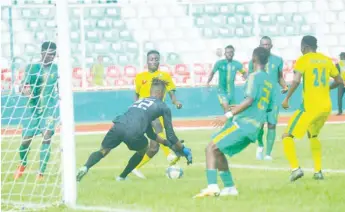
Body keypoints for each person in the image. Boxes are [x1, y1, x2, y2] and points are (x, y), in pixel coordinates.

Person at [194, 47, 274, 198]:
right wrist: (239, 107)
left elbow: (250, 100)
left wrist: (228, 114)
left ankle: (212, 187)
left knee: (210, 148)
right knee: (218, 150)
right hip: (255, 127)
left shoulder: (253, 77)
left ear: (254, 58)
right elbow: (266, 106)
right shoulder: (269, 80)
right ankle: (230, 188)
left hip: (243, 124)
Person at [76, 78, 192, 182]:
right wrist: (182, 149)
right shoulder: (162, 106)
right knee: (143, 149)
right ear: (161, 93)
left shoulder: (140, 102)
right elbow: (171, 135)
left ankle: (85, 167)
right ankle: (122, 177)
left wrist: (169, 145)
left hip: (118, 125)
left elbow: (151, 134)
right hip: (133, 131)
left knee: (103, 151)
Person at [281, 35, 343, 182]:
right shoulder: (326, 60)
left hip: (310, 107)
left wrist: (287, 98)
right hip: (326, 107)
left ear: (304, 47)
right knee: (313, 135)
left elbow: (296, 80)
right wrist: (326, 88)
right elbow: (339, 80)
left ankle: (295, 169)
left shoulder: (303, 60)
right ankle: (318, 172)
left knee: (287, 136)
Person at [132, 50, 183, 179]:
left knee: (154, 147)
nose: (154, 61)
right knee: (158, 127)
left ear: (159, 61)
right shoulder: (140, 77)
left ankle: (135, 168)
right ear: (147, 61)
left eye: (156, 59)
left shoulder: (164, 76)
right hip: (145, 111)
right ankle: (169, 155)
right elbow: (136, 95)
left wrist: (176, 102)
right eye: (151, 59)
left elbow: (171, 92)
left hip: (159, 110)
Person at [14, 41, 59, 180]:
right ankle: (23, 164)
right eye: (49, 54)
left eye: (54, 54)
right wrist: (24, 90)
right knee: (26, 140)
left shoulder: (57, 68)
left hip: (48, 110)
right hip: (32, 109)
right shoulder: (32, 68)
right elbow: (23, 86)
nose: (51, 57)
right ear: (42, 53)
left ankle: (41, 172)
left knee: (47, 138)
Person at [248, 36, 288, 161]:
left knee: (272, 125)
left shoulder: (278, 60)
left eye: (267, 44)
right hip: (260, 97)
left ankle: (268, 154)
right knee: (259, 125)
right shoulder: (254, 61)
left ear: (271, 46)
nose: (265, 47)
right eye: (263, 45)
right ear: (260, 46)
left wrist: (284, 86)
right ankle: (260, 145)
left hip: (274, 97)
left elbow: (279, 76)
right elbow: (251, 78)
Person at [207, 45, 247, 113]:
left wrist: (246, 78)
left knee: (233, 112)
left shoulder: (237, 64)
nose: (229, 54)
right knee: (226, 108)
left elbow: (245, 73)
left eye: (231, 52)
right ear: (224, 54)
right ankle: (226, 122)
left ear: (233, 53)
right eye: (227, 52)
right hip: (222, 92)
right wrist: (207, 83)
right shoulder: (219, 63)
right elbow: (212, 73)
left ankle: (229, 123)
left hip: (232, 93)